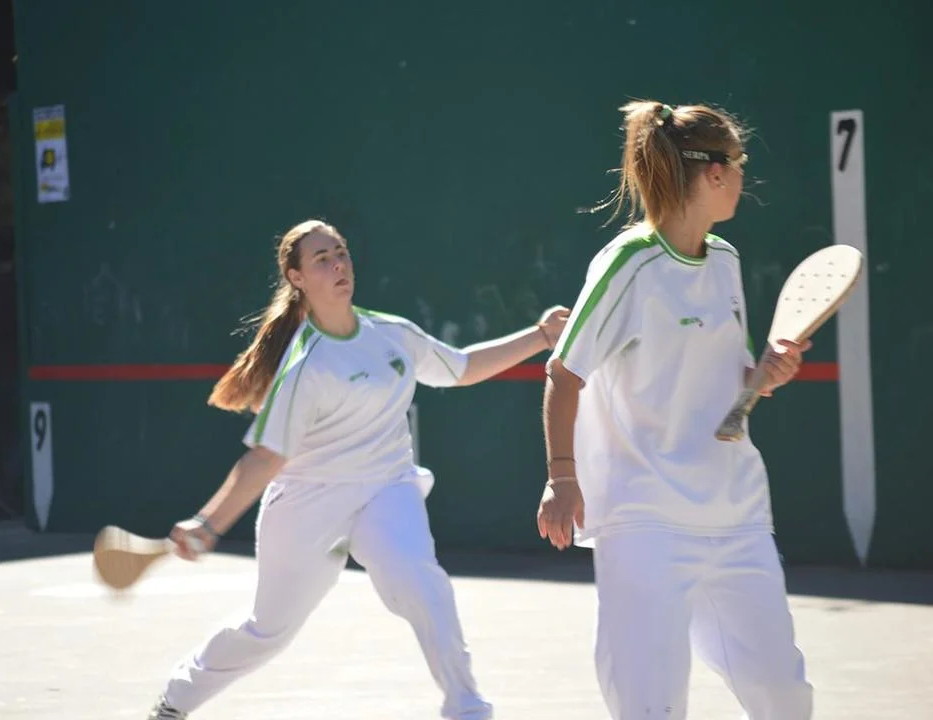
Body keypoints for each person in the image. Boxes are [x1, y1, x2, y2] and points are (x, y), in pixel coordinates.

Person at [146, 218, 571, 720]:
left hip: (386, 489)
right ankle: (175, 701)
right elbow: (265, 457)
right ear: (297, 277)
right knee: (268, 630)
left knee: (420, 582)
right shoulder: (305, 365)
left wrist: (541, 335)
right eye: (321, 259)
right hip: (308, 505)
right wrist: (209, 522)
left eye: (341, 252)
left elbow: (460, 367)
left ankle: (467, 708)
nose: (338, 265)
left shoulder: (391, 334)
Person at [536, 100, 814, 720]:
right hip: (646, 521)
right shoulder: (629, 263)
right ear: (714, 172)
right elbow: (565, 371)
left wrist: (764, 375)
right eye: (739, 163)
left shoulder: (727, 261)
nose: (742, 176)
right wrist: (562, 476)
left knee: (784, 697)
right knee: (649, 706)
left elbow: (731, 384)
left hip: (737, 516)